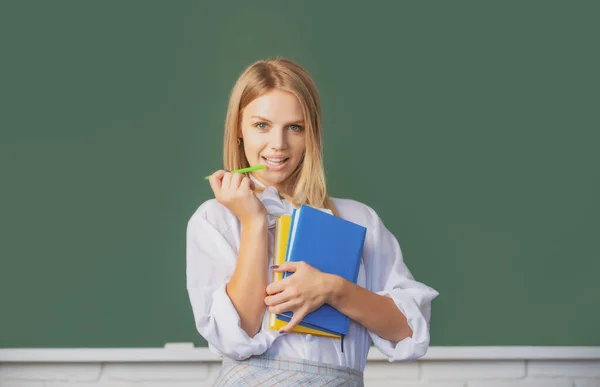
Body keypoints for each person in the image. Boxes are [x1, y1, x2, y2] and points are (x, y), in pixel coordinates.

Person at [186, 57, 439, 386]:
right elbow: (239, 334)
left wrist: (333, 289)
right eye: (261, 125)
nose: (278, 144)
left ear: (312, 133)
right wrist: (254, 222)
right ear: (238, 128)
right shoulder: (215, 220)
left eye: (295, 127)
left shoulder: (357, 219)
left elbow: (408, 331)